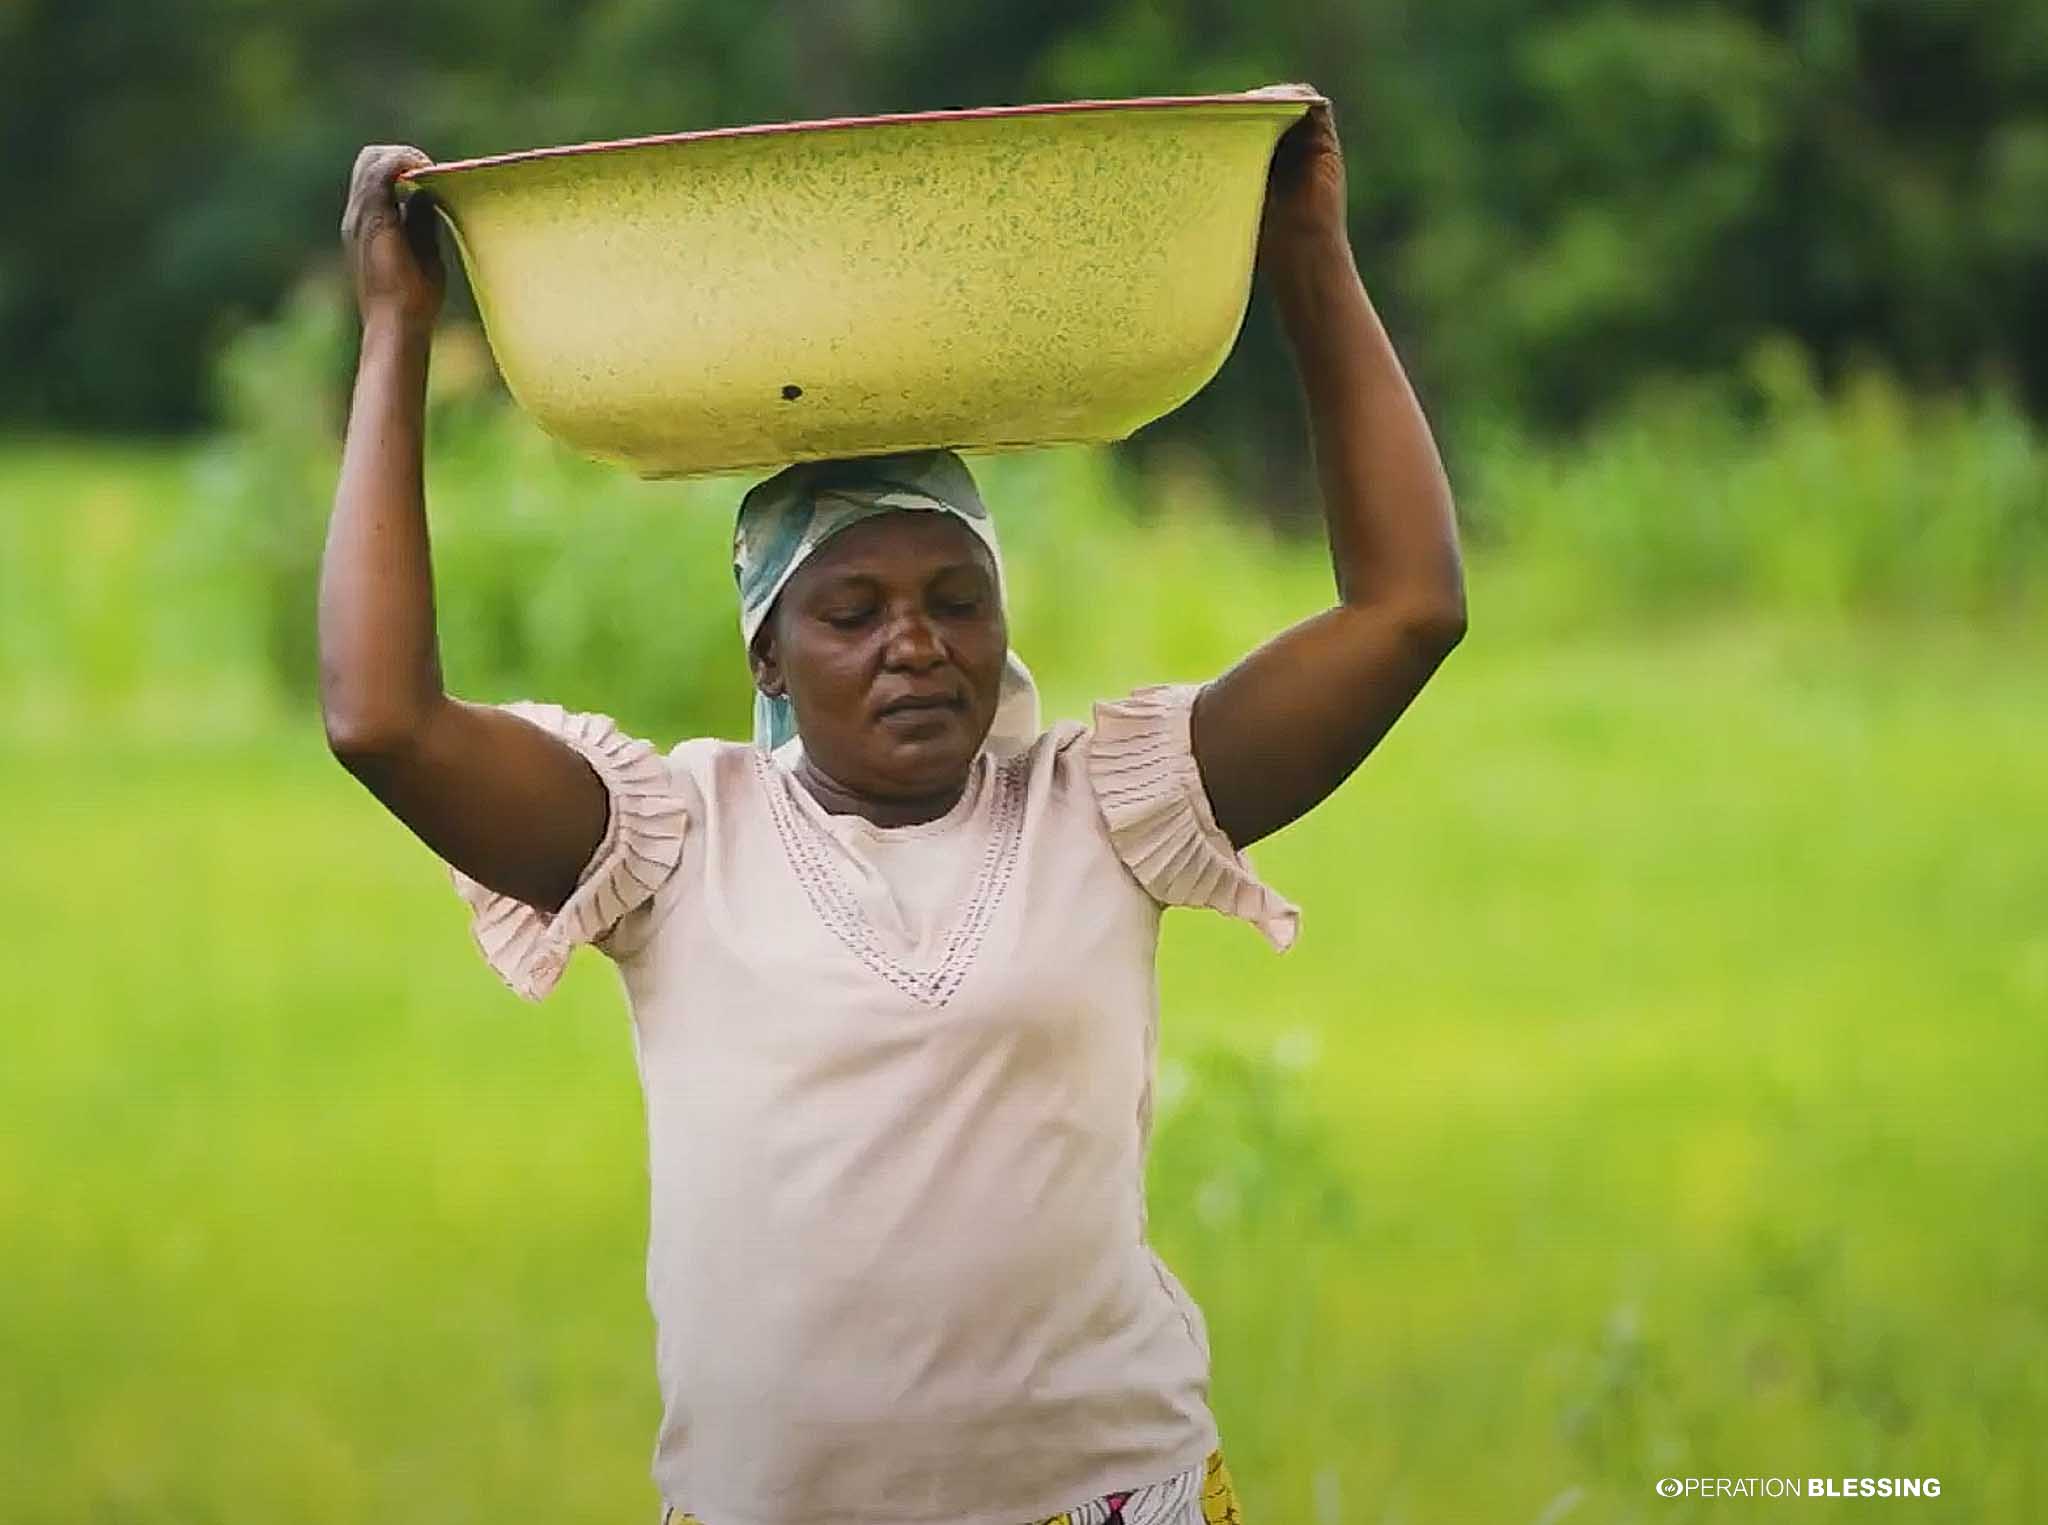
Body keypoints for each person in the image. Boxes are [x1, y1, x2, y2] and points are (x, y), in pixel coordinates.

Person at [324, 89, 1464, 1525]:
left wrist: (1309, 258)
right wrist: (394, 333)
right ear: (769, 652)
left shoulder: (1105, 810)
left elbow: (1408, 608)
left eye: (955, 600)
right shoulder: (675, 841)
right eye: (852, 610)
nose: (915, 643)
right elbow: (383, 719)